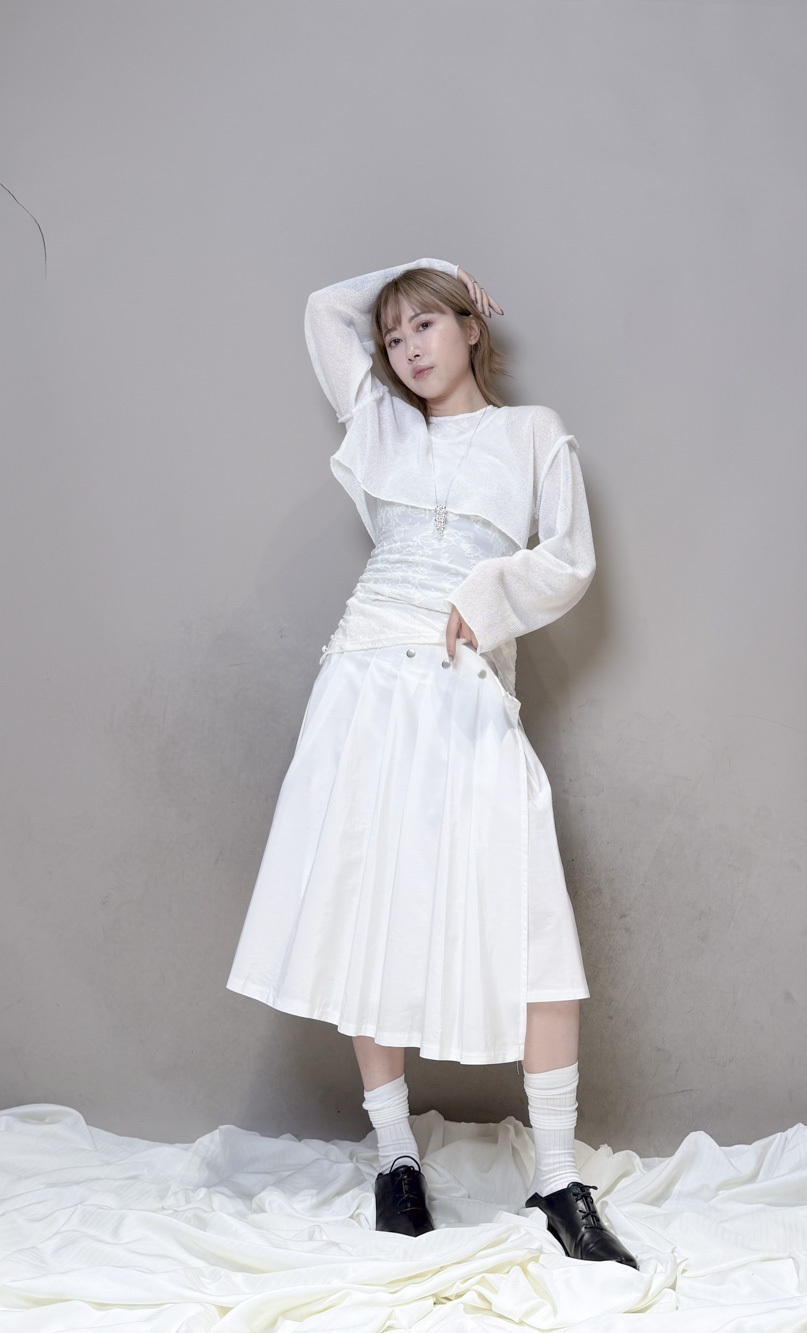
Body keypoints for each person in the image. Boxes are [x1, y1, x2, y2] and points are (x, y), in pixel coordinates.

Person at [226, 256, 638, 1268]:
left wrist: (489, 595)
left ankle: (558, 1178)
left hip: (464, 688)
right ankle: (396, 1160)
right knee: (369, 915)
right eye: (393, 335)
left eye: (426, 323)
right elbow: (322, 309)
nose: (406, 347)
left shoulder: (532, 433)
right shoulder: (382, 429)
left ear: (470, 327)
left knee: (533, 923)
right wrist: (432, 266)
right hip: (365, 684)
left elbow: (571, 557)